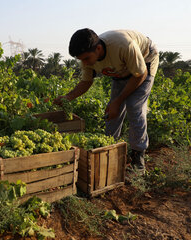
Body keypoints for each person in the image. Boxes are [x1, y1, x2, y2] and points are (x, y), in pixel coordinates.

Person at [54, 28, 159, 174]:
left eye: (85, 59)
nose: (84, 63)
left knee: (134, 107)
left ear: (98, 49)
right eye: (81, 60)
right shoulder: (88, 58)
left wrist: (118, 100)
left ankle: (138, 160)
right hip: (121, 70)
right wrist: (68, 97)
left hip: (145, 61)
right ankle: (109, 151)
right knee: (112, 113)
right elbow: (86, 82)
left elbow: (140, 74)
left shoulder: (122, 45)